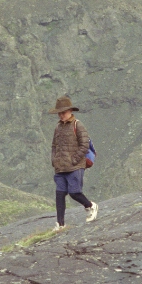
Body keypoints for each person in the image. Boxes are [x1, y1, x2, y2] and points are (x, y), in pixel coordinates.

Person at [49, 96, 98, 230]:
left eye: (63, 112)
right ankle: (60, 224)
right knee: (60, 195)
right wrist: (54, 160)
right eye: (59, 113)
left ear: (70, 111)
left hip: (75, 167)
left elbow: (84, 145)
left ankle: (90, 206)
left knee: (74, 192)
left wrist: (74, 160)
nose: (61, 115)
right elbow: (54, 145)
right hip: (60, 168)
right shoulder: (58, 127)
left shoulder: (78, 125)